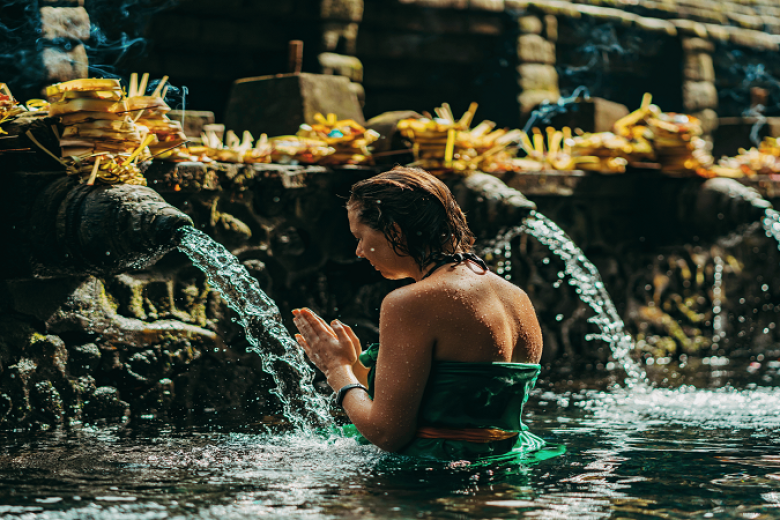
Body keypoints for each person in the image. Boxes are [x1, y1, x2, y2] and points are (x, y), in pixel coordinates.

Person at [292, 166, 560, 462]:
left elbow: (388, 434)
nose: (359, 251)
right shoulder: (516, 297)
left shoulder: (410, 302)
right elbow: (453, 400)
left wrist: (335, 370)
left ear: (393, 231)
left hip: (434, 481)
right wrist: (354, 365)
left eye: (360, 236)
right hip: (508, 467)